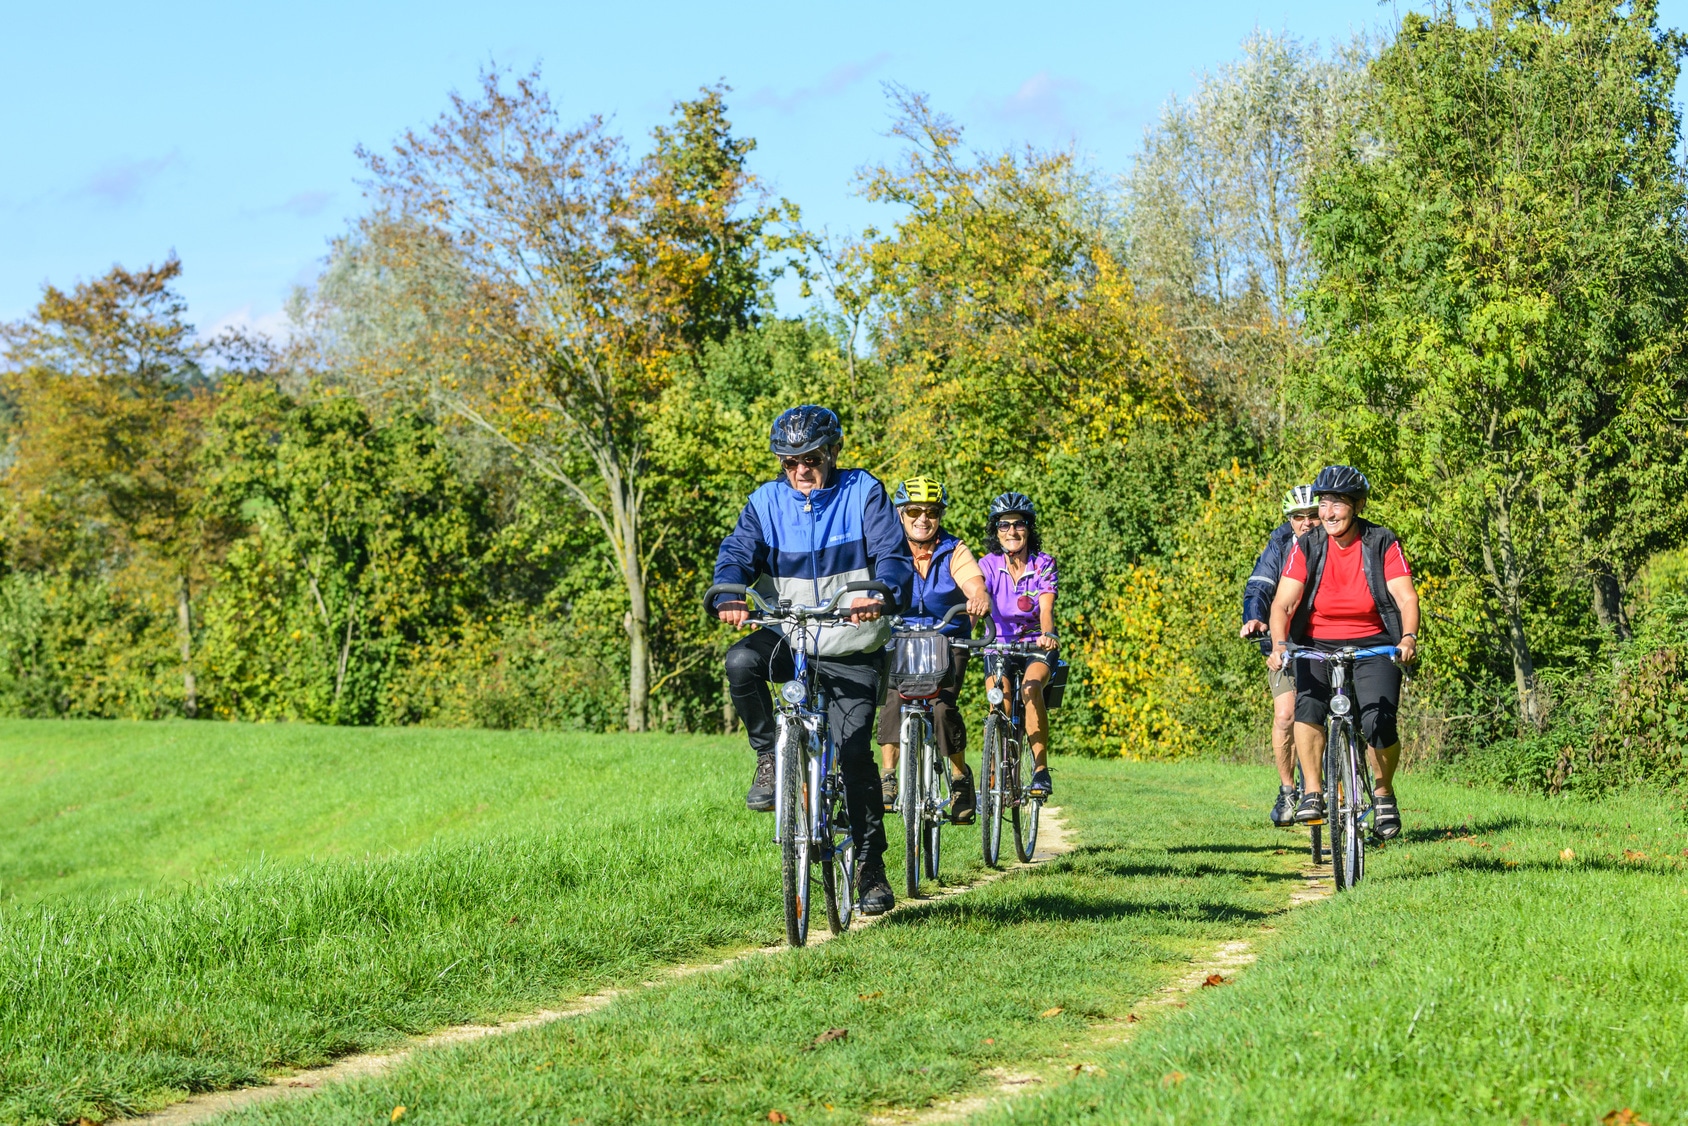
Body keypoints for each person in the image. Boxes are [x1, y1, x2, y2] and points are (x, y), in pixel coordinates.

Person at [710, 406, 914, 915]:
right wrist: (730, 592)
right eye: (790, 461)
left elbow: (892, 554)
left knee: (853, 755)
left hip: (853, 643)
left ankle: (870, 869)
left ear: (832, 454)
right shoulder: (766, 501)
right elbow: (738, 552)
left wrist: (881, 590)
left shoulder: (864, 492)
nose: (800, 469)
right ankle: (767, 759)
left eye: (811, 458)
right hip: (792, 635)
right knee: (741, 663)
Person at [1266, 465, 1420, 840]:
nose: (1328, 512)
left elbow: (1405, 596)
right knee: (1309, 707)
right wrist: (1280, 645)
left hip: (1375, 642)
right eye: (1323, 503)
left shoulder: (1381, 541)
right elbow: (1283, 604)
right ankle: (1314, 792)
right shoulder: (1308, 544)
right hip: (1316, 643)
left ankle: (1383, 794)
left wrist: (1409, 639)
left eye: (1338, 504)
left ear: (1358, 506)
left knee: (1377, 722)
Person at [876, 477, 993, 822]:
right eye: (914, 510)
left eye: (932, 512)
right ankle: (888, 778)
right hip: (899, 639)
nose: (922, 518)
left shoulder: (954, 549)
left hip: (947, 640)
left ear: (940, 516)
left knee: (943, 708)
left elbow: (973, 581)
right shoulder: (887, 548)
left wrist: (979, 596)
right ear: (901, 513)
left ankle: (959, 778)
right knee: (893, 699)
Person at [1241, 485, 1322, 827]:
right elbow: (1259, 585)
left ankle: (1343, 788)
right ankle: (1288, 789)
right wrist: (1254, 616)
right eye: (1299, 517)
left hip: (1326, 641)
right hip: (1284, 640)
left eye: (1313, 515)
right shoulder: (1279, 544)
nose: (1307, 523)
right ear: (1290, 520)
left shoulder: (1337, 542)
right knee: (1286, 715)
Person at [978, 492, 1059, 799]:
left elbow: (1047, 610)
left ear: (1029, 528)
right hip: (997, 645)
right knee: (999, 701)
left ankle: (1040, 770)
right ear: (995, 530)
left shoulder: (1043, 564)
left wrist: (1047, 634)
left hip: (1034, 643)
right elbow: (977, 602)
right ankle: (996, 770)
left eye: (1019, 524)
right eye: (1004, 525)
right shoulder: (986, 565)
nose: (1011, 531)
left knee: (1030, 688)